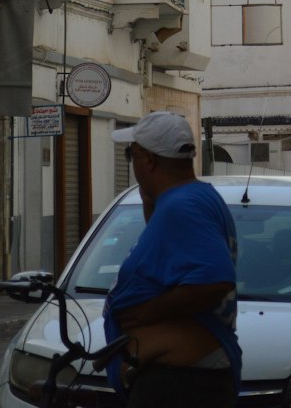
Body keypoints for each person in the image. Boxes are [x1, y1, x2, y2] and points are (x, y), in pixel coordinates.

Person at [103, 112, 241, 407]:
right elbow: (172, 250)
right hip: (178, 376)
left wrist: (149, 312)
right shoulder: (193, 197)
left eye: (132, 155)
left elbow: (216, 279)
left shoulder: (184, 206)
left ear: (148, 160)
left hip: (180, 383)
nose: (132, 164)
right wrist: (149, 199)